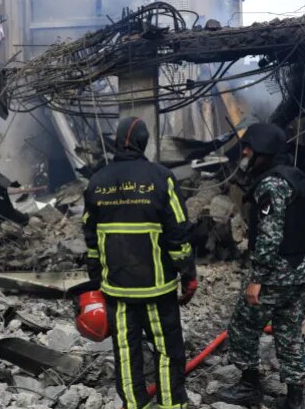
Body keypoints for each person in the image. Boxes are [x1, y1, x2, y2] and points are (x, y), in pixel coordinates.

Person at [82, 116, 197, 409]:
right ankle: (171, 405)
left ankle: (136, 404)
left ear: (117, 141)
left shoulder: (97, 182)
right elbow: (178, 233)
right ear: (143, 143)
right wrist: (188, 274)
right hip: (156, 289)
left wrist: (97, 282)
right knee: (167, 350)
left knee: (126, 350)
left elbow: (91, 239)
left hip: (117, 290)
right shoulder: (161, 178)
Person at [218, 122, 305, 409]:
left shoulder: (272, 184)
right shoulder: (296, 178)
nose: (244, 152)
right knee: (289, 331)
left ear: (265, 151)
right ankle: (295, 398)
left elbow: (271, 235)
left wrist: (257, 278)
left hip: (275, 273)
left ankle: (249, 385)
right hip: (300, 270)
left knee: (243, 326)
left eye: (250, 148)